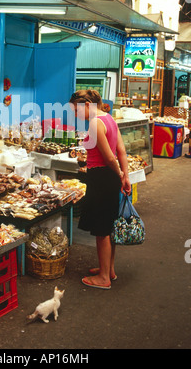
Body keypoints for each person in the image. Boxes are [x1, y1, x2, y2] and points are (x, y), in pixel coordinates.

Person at [70, 89, 131, 290]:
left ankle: (104, 277)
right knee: (108, 226)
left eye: (77, 110)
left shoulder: (96, 123)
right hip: (109, 178)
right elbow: (121, 150)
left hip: (101, 178)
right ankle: (109, 269)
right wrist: (125, 176)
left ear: (87, 105)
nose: (76, 115)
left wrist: (120, 174)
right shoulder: (109, 119)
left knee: (101, 230)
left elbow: (109, 157)